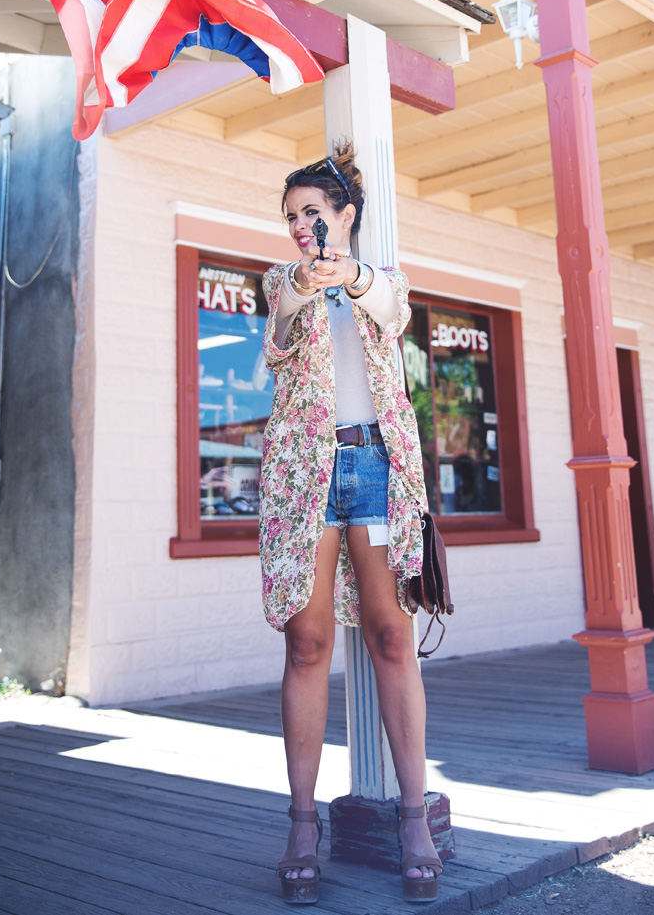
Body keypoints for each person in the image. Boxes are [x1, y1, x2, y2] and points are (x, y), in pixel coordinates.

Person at [259, 142, 443, 905]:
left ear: (346, 216)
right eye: (292, 216)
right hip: (304, 475)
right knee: (307, 642)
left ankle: (413, 819)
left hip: (375, 470)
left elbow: (391, 309)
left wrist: (351, 276)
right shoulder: (281, 279)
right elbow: (279, 328)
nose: (303, 226)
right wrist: (306, 279)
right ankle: (303, 822)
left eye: (314, 213)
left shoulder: (384, 282)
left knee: (392, 635)